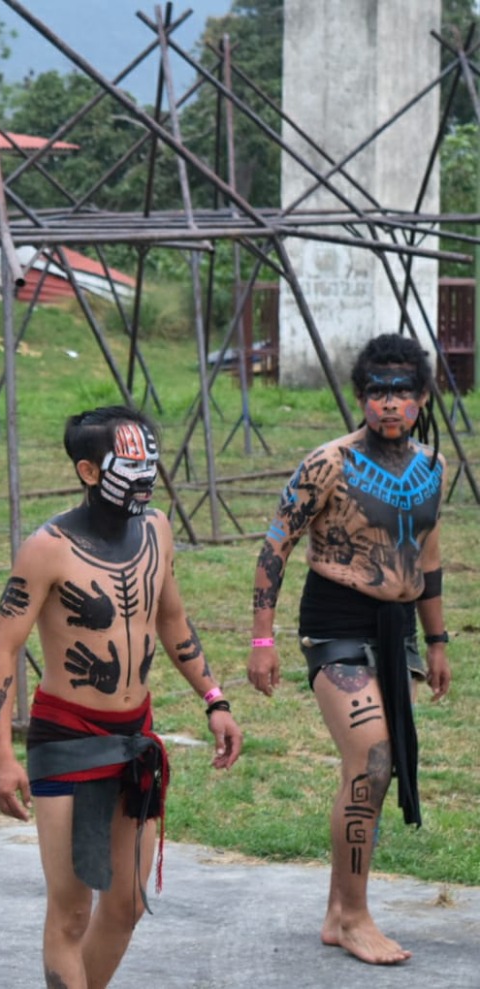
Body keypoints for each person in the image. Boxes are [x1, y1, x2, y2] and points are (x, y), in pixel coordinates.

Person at [0, 405, 243, 989]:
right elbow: (2, 651)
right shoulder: (47, 549)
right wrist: (3, 756)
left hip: (134, 739)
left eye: (150, 458)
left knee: (125, 906)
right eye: (130, 462)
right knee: (72, 911)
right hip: (68, 740)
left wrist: (215, 698)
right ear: (88, 470)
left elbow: (172, 620)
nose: (146, 473)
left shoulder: (157, 530)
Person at [247, 333, 450, 966]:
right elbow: (275, 544)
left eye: (402, 393)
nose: (390, 404)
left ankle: (340, 912)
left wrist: (438, 639)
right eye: (377, 393)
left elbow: (430, 556)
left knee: (369, 773)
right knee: (372, 759)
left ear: (421, 398)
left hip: (400, 630)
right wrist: (262, 637)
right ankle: (357, 917)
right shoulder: (326, 463)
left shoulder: (433, 467)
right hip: (335, 620)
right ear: (361, 397)